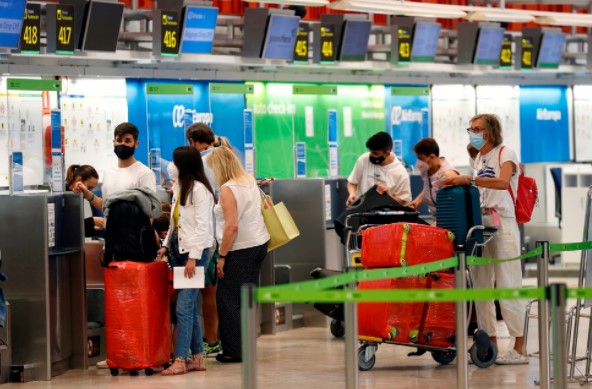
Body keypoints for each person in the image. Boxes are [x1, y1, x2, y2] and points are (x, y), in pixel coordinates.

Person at [441, 113, 527, 365]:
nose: (472, 133)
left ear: (490, 131)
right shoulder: (479, 157)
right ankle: (489, 344)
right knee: (481, 287)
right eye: (471, 128)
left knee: (507, 285)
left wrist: (470, 178)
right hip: (482, 226)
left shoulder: (506, 153)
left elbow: (501, 182)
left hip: (504, 225)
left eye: (477, 129)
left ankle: (519, 348)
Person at [206, 146, 269, 363]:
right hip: (259, 242)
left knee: (227, 300)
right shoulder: (248, 180)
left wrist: (222, 257)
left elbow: (231, 227)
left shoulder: (227, 188)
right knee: (245, 298)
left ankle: (235, 351)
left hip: (240, 248)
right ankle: (246, 346)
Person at [158, 146, 215, 375]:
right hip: (177, 251)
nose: (172, 166)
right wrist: (164, 246)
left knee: (183, 308)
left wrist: (193, 258)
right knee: (188, 308)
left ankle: (180, 359)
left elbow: (202, 227)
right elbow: (174, 221)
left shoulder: (200, 190)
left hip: (195, 253)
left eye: (175, 162)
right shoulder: (181, 186)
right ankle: (198, 358)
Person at [185, 123, 222, 355]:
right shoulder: (221, 159)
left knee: (204, 290)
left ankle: (209, 340)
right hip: (218, 233)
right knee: (212, 290)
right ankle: (213, 338)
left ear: (191, 141)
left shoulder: (201, 163)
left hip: (205, 234)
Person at [76, 122, 156, 210]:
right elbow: (105, 207)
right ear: (114, 142)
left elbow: (150, 212)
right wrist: (87, 193)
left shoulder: (145, 173)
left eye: (127, 141)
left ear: (136, 144)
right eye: (119, 140)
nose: (123, 144)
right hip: (109, 224)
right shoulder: (108, 172)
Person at [346, 131, 411, 206]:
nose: (372, 155)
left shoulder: (400, 171)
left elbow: (403, 199)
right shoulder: (364, 159)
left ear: (387, 153)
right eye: (371, 152)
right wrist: (352, 194)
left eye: (376, 153)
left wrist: (387, 197)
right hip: (363, 210)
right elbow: (352, 182)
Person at [407, 138, 459, 220]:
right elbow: (429, 187)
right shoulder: (427, 169)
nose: (418, 162)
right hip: (436, 218)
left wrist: (439, 223)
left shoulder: (448, 175)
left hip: (450, 220)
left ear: (432, 156)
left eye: (421, 158)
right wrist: (418, 201)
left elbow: (453, 207)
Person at [65, 164, 104, 236]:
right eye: (89, 188)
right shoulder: (65, 197)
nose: (89, 192)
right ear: (79, 180)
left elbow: (77, 230)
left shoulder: (78, 197)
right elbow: (67, 228)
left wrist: (94, 228)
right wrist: (92, 222)